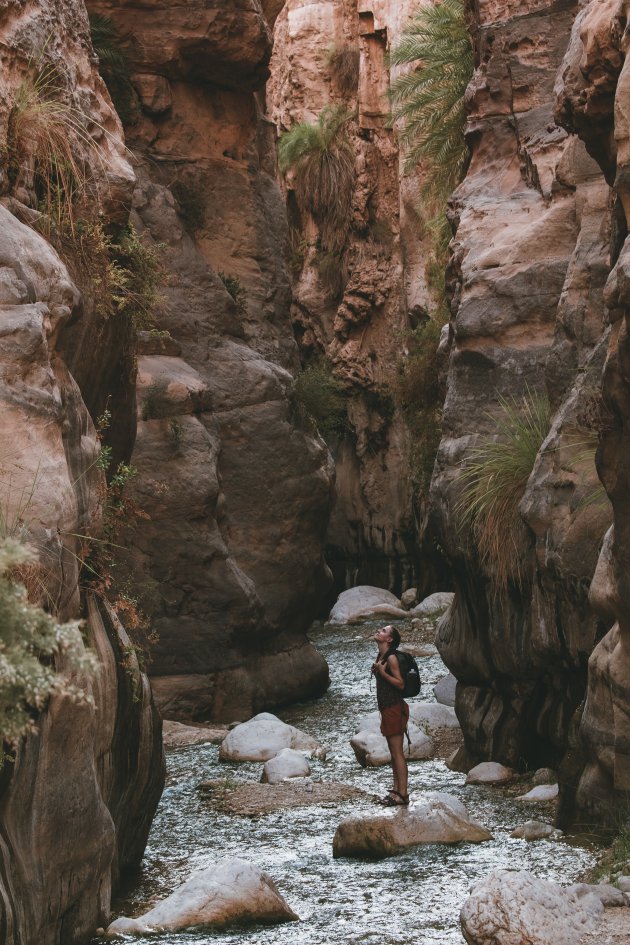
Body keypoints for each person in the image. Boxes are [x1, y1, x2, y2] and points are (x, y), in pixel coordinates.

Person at [372, 624, 409, 806]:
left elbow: (400, 684)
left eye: (384, 631)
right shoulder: (382, 656)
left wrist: (382, 673)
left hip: (394, 707)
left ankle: (403, 793)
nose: (379, 631)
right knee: (393, 753)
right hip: (387, 709)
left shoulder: (392, 657)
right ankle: (395, 790)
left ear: (389, 639)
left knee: (397, 752)